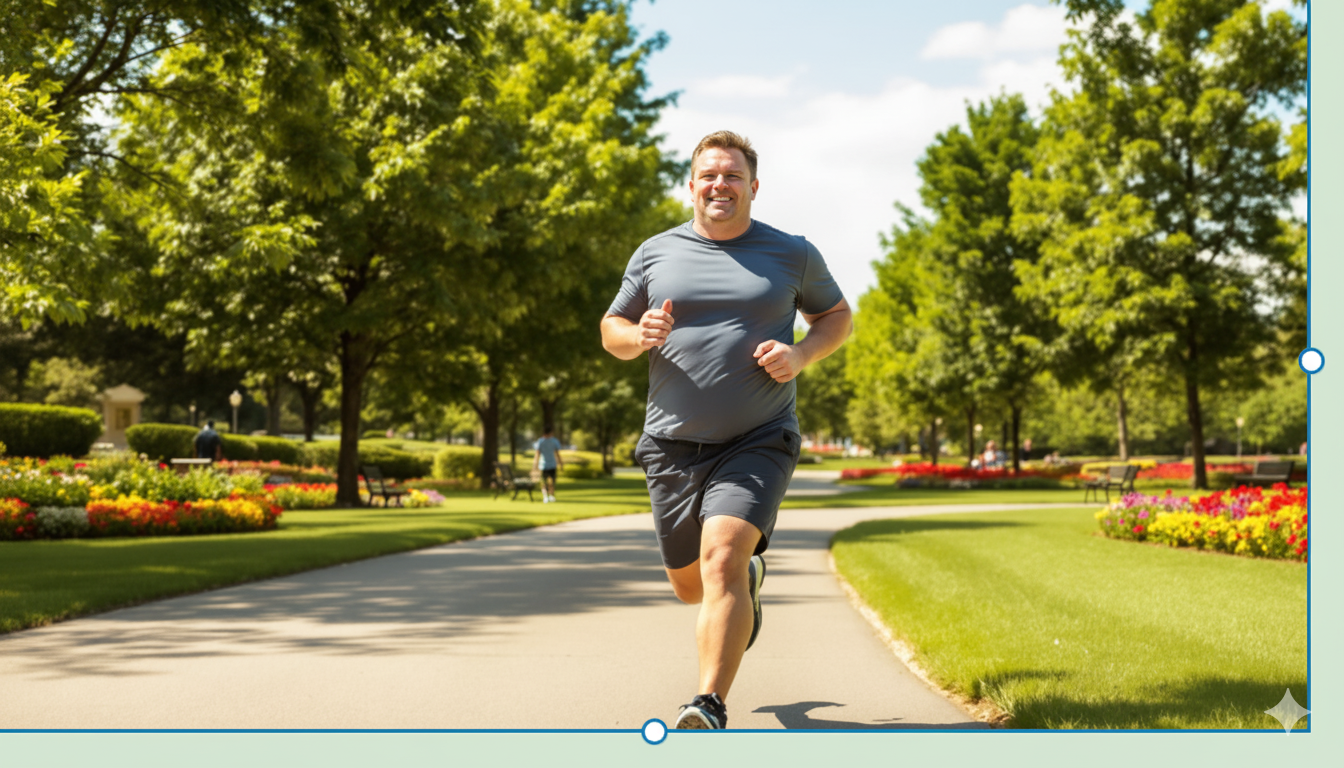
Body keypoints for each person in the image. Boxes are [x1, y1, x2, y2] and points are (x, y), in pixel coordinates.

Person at [600, 130, 852, 730]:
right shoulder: (654, 252)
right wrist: (640, 337)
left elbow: (836, 316)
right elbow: (612, 328)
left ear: (753, 187)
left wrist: (801, 355)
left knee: (722, 561)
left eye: (733, 176)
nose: (721, 185)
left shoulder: (792, 253)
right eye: (709, 175)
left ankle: (707, 703)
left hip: (759, 437)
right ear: (692, 185)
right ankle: (748, 583)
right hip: (670, 445)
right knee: (693, 588)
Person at [532, 426, 564, 503]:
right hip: (550, 464)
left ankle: (546, 496)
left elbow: (537, 454)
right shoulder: (554, 441)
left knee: (545, 481)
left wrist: (535, 465)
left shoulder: (540, 441)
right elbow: (557, 454)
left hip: (544, 464)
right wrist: (561, 464)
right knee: (551, 481)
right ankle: (550, 495)